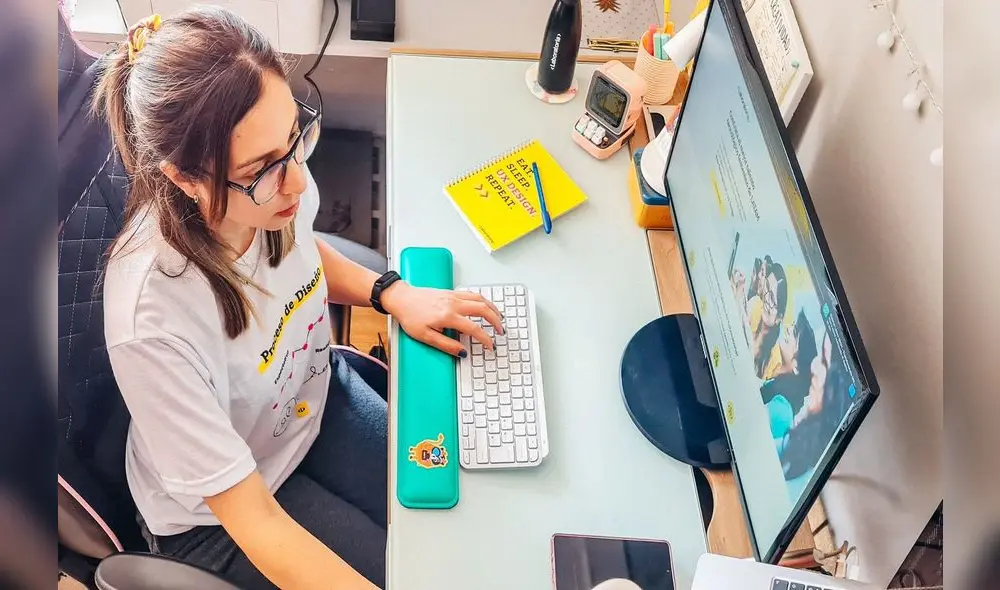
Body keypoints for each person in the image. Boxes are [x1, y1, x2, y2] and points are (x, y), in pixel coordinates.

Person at [94, 8, 503, 589]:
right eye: (262, 167)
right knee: (415, 574)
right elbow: (255, 519)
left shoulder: (274, 188)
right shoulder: (153, 320)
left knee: (457, 518)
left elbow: (302, 256)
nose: (298, 182)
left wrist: (392, 293)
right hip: (222, 514)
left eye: (294, 138)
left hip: (308, 406)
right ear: (185, 177)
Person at [732, 258, 789, 378]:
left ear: (779, 317)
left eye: (772, 299)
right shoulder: (756, 305)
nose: (766, 299)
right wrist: (738, 288)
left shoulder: (775, 360)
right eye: (767, 288)